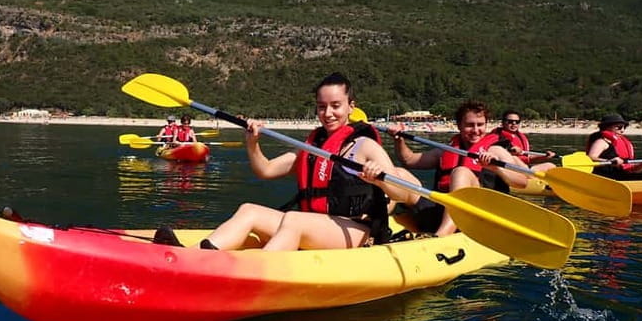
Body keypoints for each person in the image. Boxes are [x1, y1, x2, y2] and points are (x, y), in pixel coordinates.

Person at [153, 72, 422, 251]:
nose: (328, 113)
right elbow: (266, 170)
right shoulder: (311, 147)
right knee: (249, 210)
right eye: (321, 106)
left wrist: (380, 180)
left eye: (336, 105)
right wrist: (252, 142)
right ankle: (198, 256)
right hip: (314, 224)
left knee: (294, 220)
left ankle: (256, 271)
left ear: (351, 106)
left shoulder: (366, 146)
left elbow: (402, 192)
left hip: (354, 229)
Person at [386, 101, 529, 237]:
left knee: (461, 172)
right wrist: (399, 140)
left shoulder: (496, 151)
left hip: (476, 217)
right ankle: (378, 227)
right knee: (397, 174)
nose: (476, 130)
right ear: (459, 125)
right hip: (439, 212)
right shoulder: (447, 150)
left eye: (480, 125)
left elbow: (522, 182)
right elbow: (409, 160)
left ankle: (443, 235)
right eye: (470, 125)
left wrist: (496, 168)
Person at [586, 113, 642, 180]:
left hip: (620, 176)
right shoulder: (601, 142)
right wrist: (609, 161)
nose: (622, 130)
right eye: (619, 127)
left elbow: (633, 170)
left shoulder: (623, 144)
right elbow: (590, 158)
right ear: (606, 127)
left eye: (624, 127)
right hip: (606, 177)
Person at [491, 110, 556, 166]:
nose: (514, 123)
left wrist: (544, 157)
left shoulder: (520, 137)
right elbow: (493, 151)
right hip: (508, 167)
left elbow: (528, 158)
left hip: (522, 167)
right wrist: (509, 151)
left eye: (517, 122)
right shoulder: (496, 136)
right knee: (515, 159)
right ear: (503, 122)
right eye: (510, 121)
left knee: (550, 165)